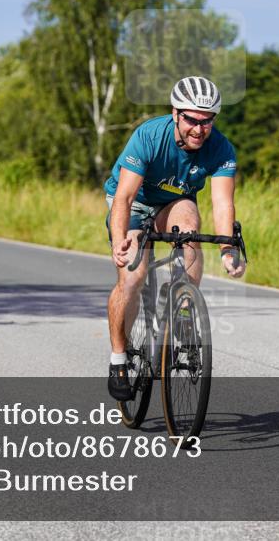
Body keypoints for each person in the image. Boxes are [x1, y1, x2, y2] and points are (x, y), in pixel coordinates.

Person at [103, 76, 246, 402]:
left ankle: (182, 308)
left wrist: (227, 249)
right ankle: (119, 358)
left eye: (207, 121)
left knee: (190, 231)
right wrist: (118, 241)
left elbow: (223, 203)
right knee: (133, 278)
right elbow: (124, 198)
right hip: (135, 201)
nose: (199, 129)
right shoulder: (149, 136)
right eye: (192, 120)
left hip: (175, 202)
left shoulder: (221, 148)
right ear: (175, 113)